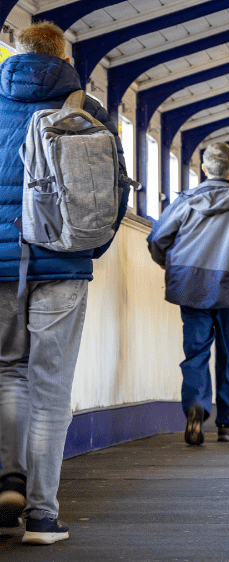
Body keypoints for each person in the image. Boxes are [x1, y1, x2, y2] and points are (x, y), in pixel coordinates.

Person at [0, 22, 132, 545]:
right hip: (64, 263)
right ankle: (43, 516)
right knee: (51, 388)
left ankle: (9, 483)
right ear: (62, 56)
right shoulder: (88, 109)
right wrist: (86, 251)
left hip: (1, 268)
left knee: (9, 373)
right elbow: (114, 195)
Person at [147, 142, 229, 446]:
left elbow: (158, 239)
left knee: (196, 353)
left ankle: (196, 408)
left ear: (204, 170)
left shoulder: (185, 201)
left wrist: (177, 269)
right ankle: (227, 424)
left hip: (193, 289)